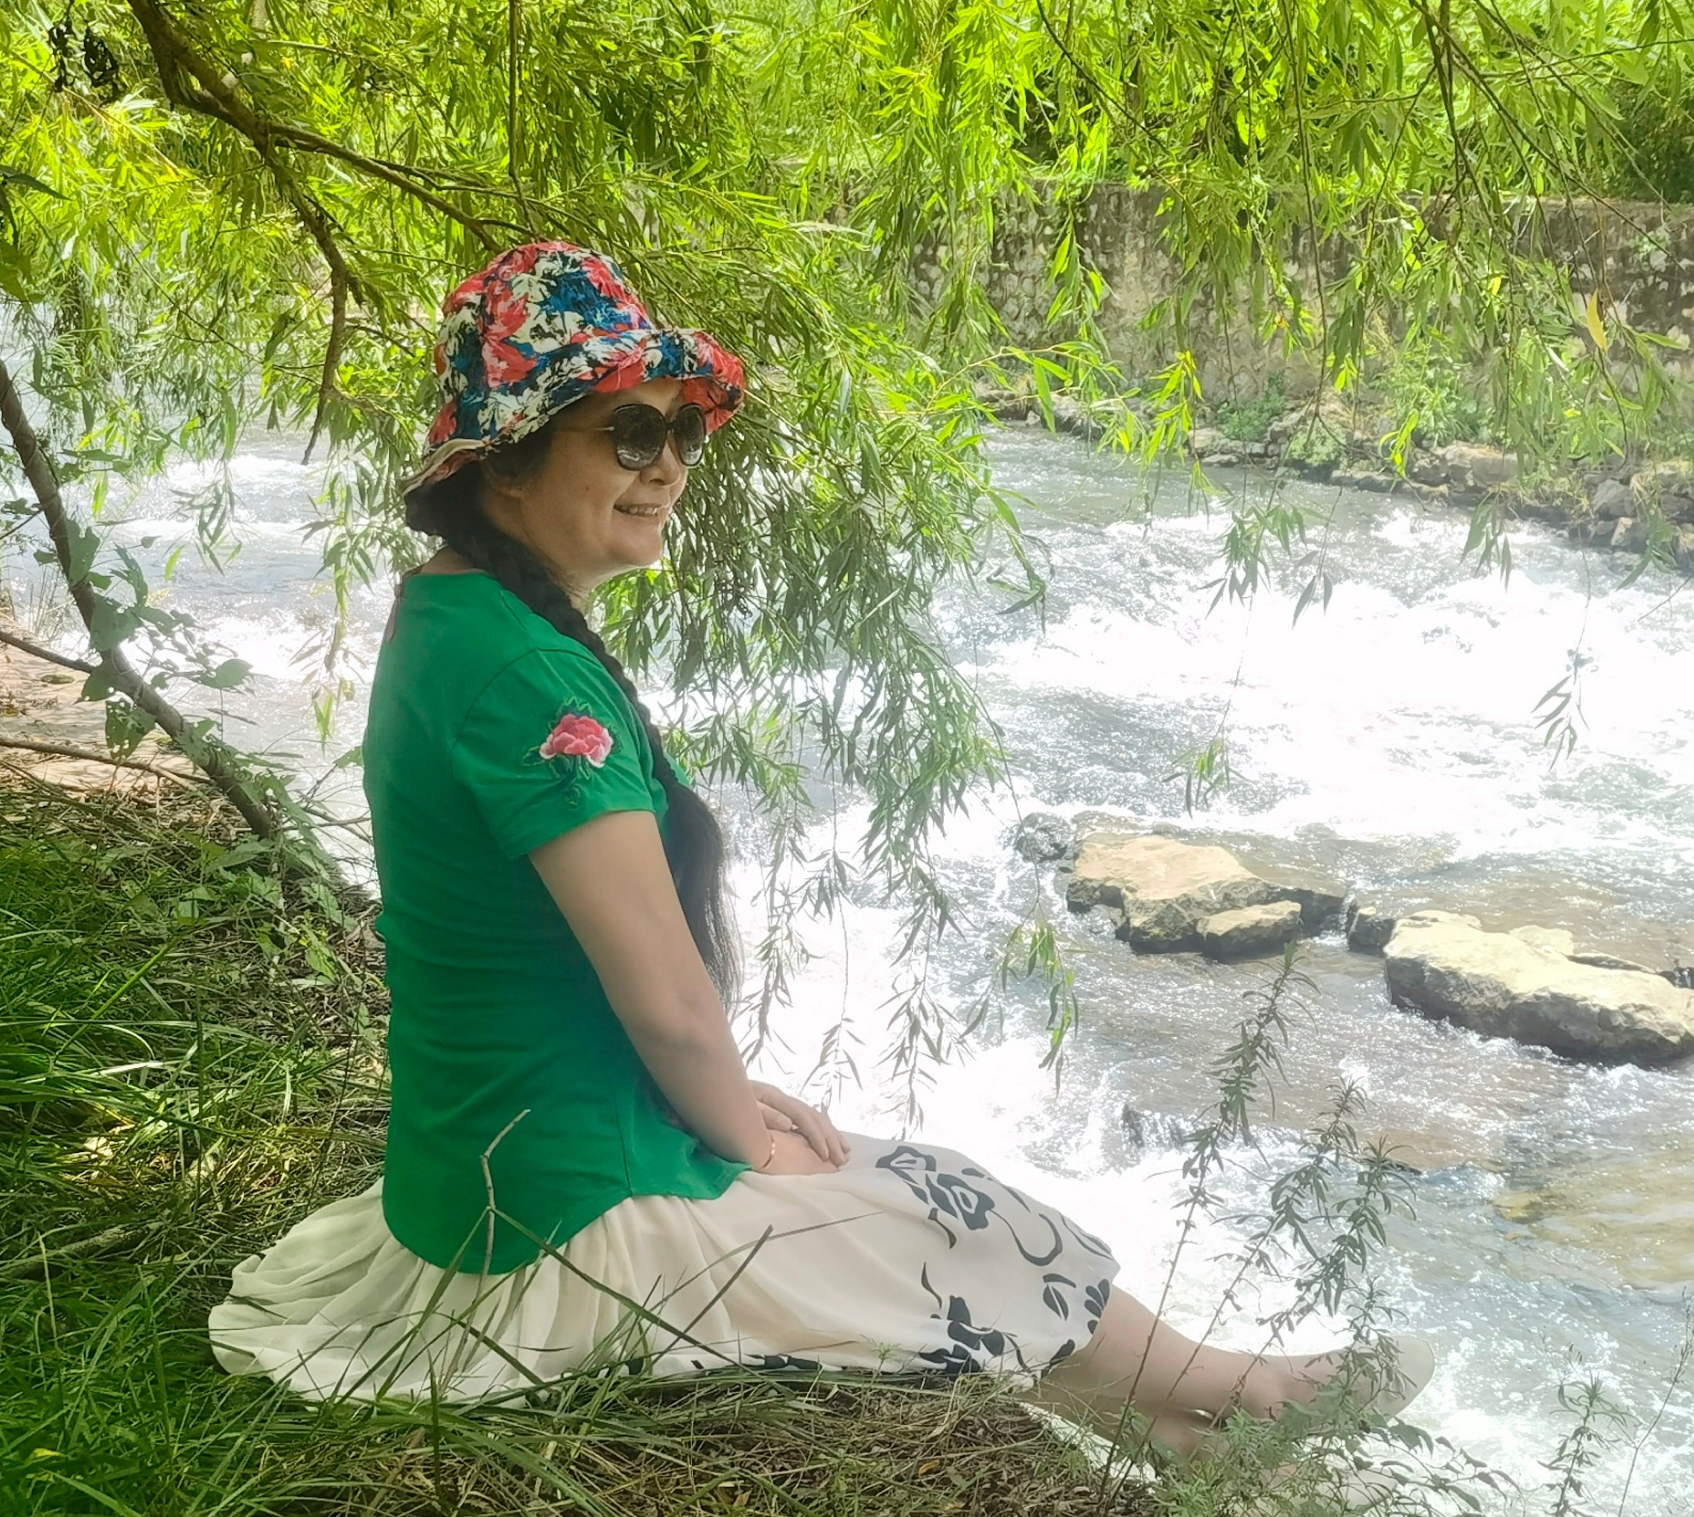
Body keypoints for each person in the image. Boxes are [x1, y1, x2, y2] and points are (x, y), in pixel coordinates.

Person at [212, 242, 1410, 1451]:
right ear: (508, 458)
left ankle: (1213, 1441)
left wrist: (726, 1104)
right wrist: (739, 1134)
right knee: (958, 1213)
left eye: (684, 433)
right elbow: (670, 1002)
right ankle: (1251, 1393)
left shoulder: (456, 612)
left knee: (935, 1209)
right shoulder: (527, 676)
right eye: (630, 433)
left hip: (486, 1160)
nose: (669, 466)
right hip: (559, 1218)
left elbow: (584, 977)